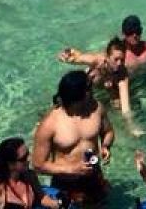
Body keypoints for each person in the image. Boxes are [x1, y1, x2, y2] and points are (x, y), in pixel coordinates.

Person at [30, 71, 112, 207]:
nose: (93, 90)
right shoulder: (50, 124)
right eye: (89, 88)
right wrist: (72, 169)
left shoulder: (97, 108)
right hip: (66, 184)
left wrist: (105, 146)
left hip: (94, 177)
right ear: (79, 94)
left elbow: (108, 132)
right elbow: (38, 164)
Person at [58, 39, 137, 130]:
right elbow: (73, 58)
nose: (119, 63)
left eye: (122, 60)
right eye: (116, 59)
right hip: (90, 88)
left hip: (109, 91)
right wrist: (66, 55)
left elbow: (125, 107)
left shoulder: (122, 75)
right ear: (107, 57)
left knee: (117, 105)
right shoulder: (97, 61)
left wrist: (131, 126)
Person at [0, 136, 59, 209]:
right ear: (10, 164)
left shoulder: (30, 176)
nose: (29, 159)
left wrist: (58, 204)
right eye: (24, 158)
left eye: (28, 153)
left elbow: (43, 198)